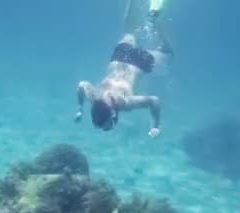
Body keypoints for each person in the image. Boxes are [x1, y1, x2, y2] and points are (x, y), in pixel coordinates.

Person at [74, 0, 173, 138]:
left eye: (110, 123)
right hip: (119, 57)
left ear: (112, 114)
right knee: (129, 31)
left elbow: (154, 100)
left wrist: (155, 126)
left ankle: (155, 19)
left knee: (168, 53)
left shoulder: (124, 103)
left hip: (139, 63)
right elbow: (82, 85)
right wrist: (80, 109)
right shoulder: (93, 96)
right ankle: (142, 10)